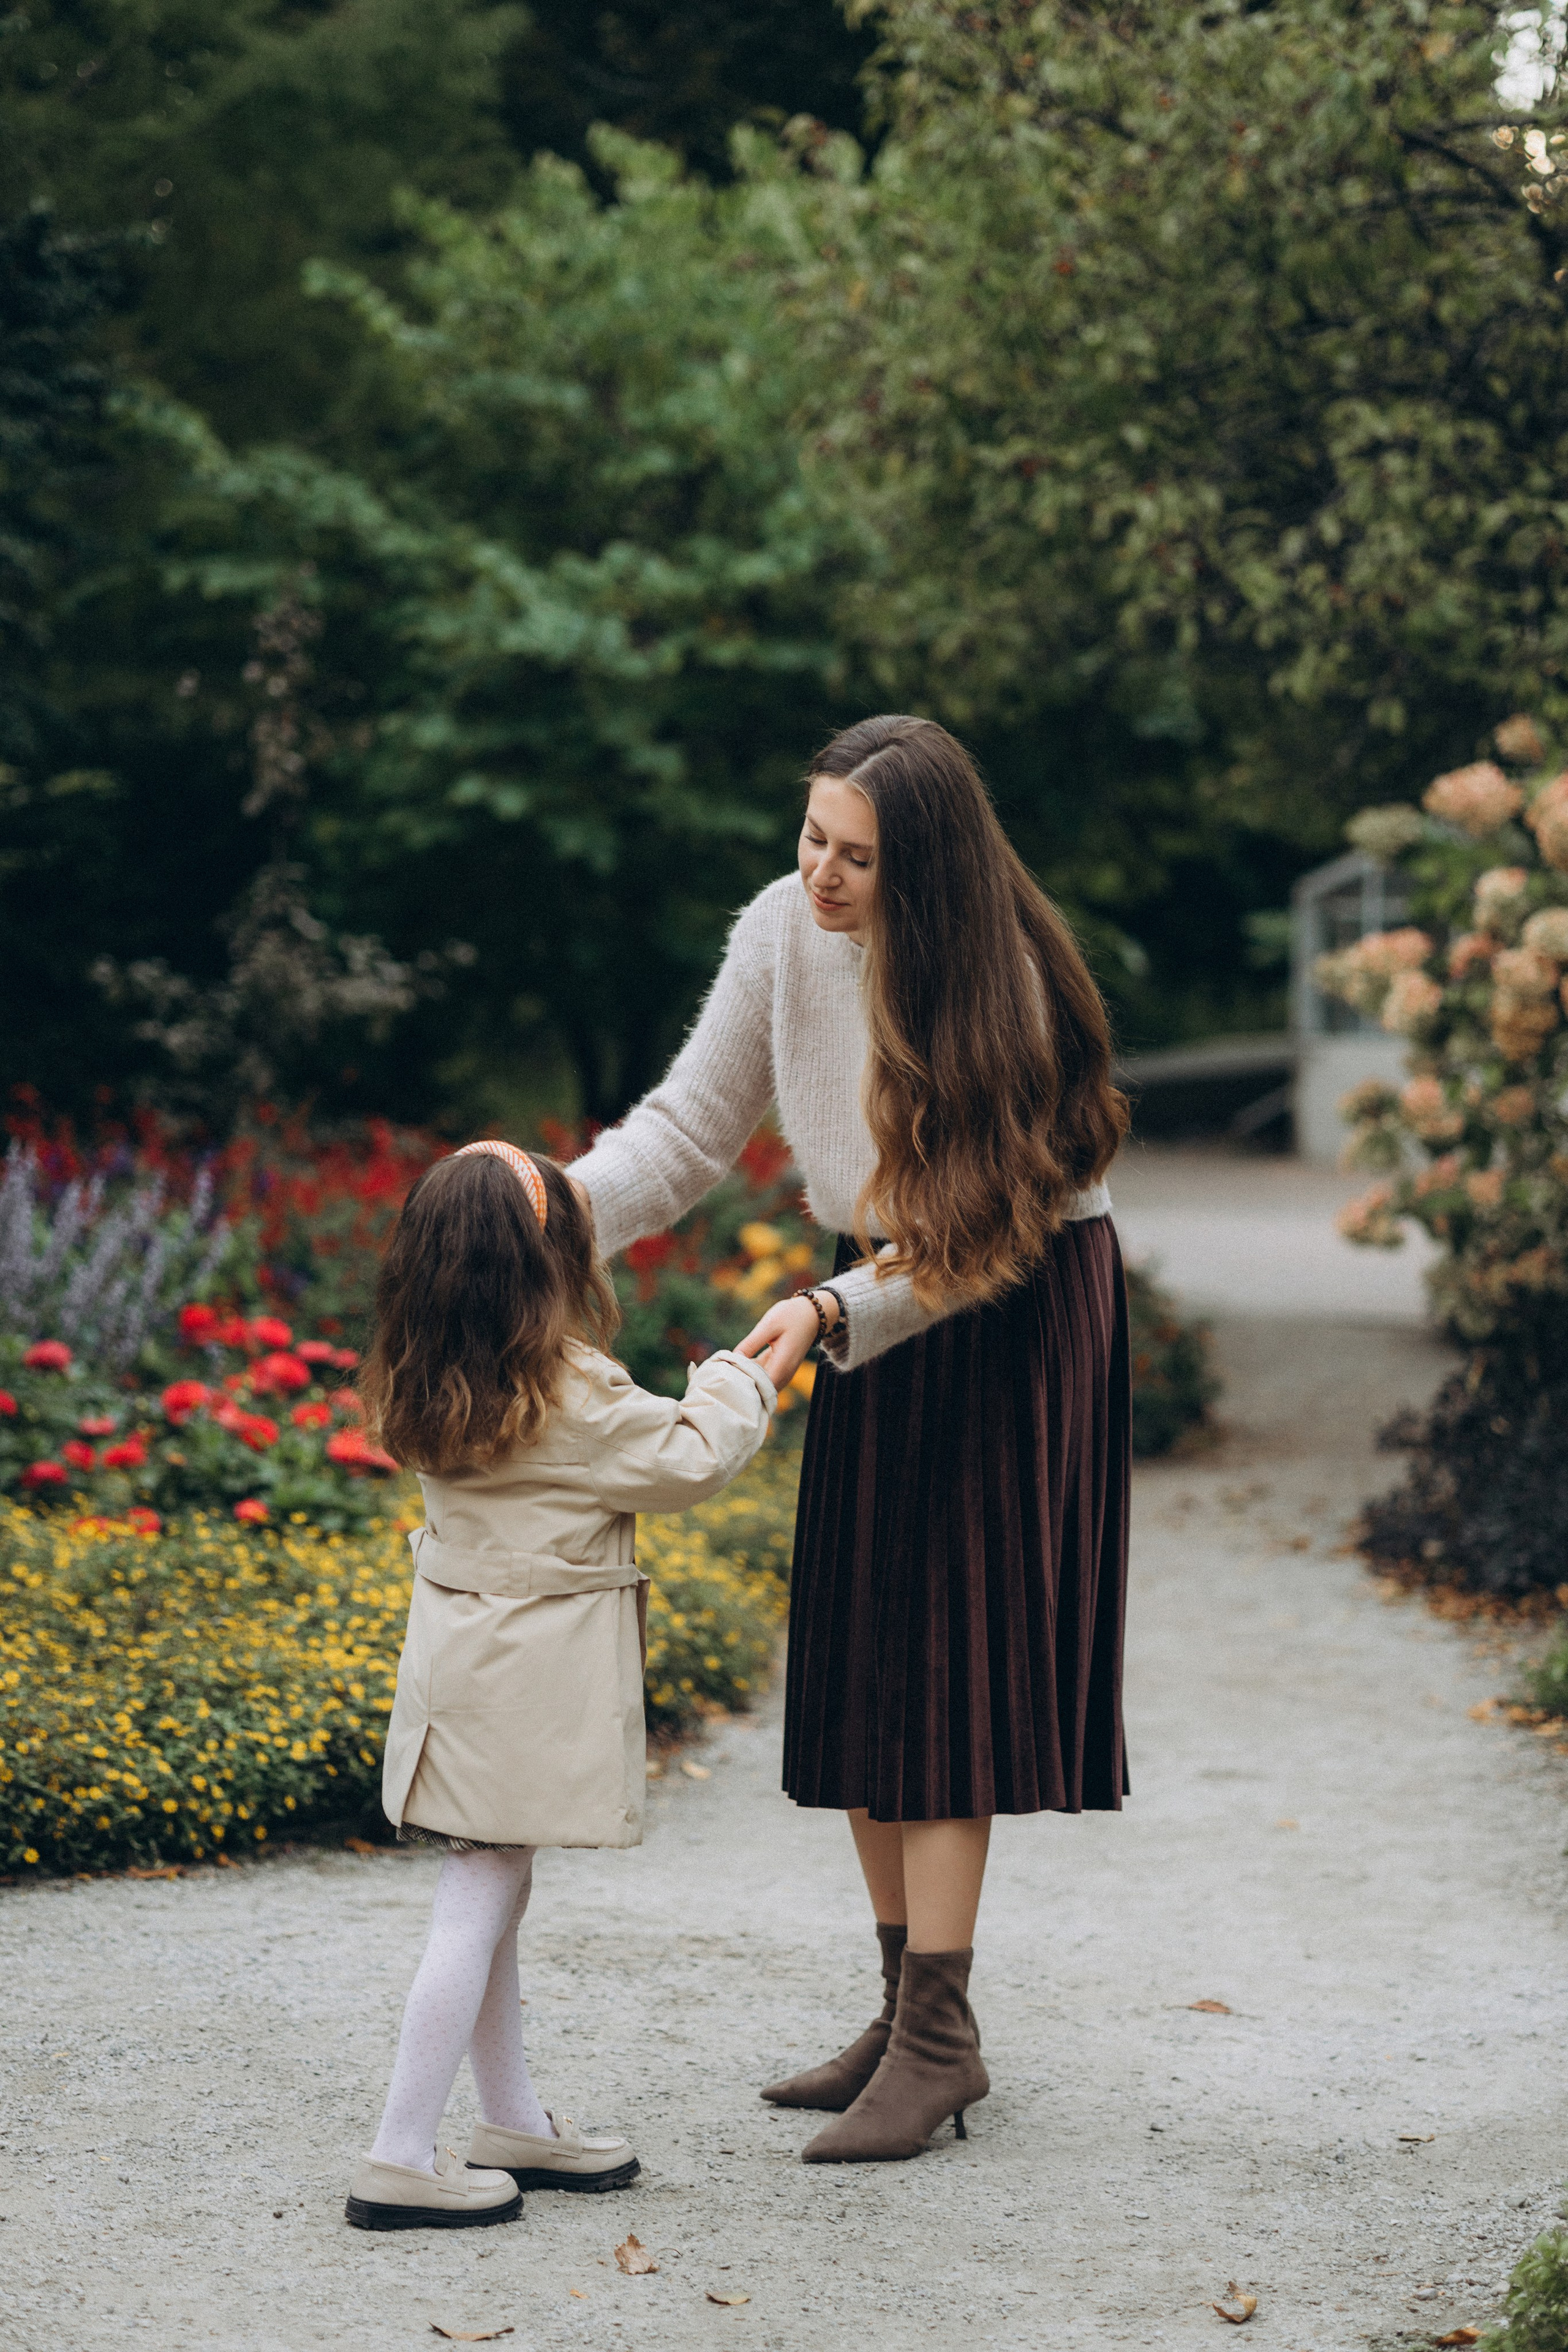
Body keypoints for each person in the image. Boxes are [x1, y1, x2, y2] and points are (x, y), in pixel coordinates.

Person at [571, 714, 1131, 2164]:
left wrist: (830, 1306)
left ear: (924, 869)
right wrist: (542, 1216)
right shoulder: (780, 931)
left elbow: (989, 1229)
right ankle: (903, 2014)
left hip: (1003, 1299)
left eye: (856, 858)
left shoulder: (994, 975)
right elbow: (690, 1131)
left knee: (947, 1656)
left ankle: (940, 2041)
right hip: (866, 1290)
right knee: (869, 1645)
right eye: (811, 838)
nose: (821, 874)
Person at [343, 1139, 777, 2230]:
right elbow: (689, 1461)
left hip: (459, 1675)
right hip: (528, 1686)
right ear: (547, 1264)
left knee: (495, 1890)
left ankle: (513, 2120)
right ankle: (399, 2150)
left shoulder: (423, 1370)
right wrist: (738, 1373)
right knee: (478, 1898)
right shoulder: (568, 1391)